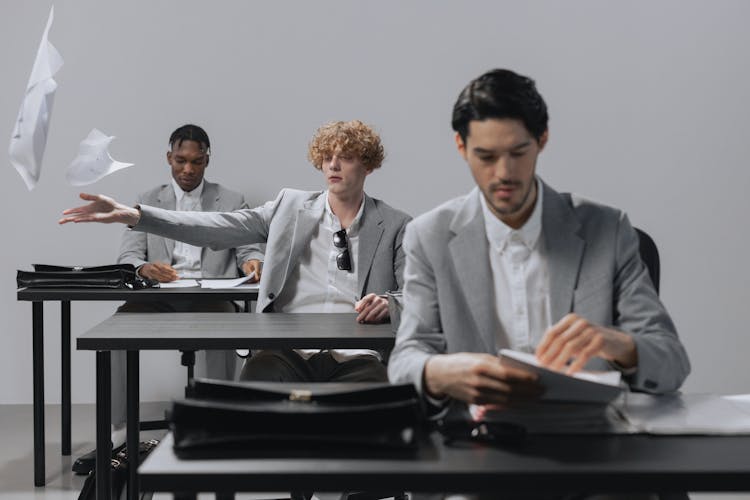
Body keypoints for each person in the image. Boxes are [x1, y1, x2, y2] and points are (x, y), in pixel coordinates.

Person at [387, 69, 690, 428]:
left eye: (518, 152)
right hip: (477, 450)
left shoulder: (607, 230)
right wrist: (438, 372)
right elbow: (405, 360)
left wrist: (619, 345)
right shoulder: (428, 235)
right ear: (461, 147)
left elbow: (672, 362)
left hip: (593, 447)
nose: (504, 173)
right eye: (486, 156)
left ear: (542, 140)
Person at [60, 120, 410, 384]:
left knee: (376, 412)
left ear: (368, 165)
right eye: (327, 157)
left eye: (345, 158)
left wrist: (389, 303)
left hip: (357, 354)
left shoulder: (394, 224)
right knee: (253, 393)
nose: (333, 166)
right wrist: (136, 215)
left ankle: (359, 483)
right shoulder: (289, 208)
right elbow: (215, 226)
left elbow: (417, 296)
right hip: (286, 352)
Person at [72, 124, 263, 475]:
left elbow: (248, 244)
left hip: (210, 294)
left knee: (225, 327)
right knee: (116, 329)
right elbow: (127, 257)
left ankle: (215, 426)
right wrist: (144, 269)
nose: (188, 170)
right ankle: (119, 433)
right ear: (168, 158)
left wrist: (254, 261)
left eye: (196, 162)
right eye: (180, 161)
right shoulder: (146, 201)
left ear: (208, 160)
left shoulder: (232, 200)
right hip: (160, 295)